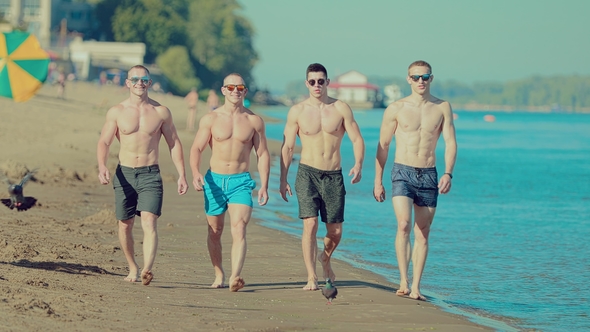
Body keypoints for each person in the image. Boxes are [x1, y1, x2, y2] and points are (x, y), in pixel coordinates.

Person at [373, 60, 457, 301]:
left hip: (429, 173)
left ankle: (417, 287)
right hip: (402, 171)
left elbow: (450, 142)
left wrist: (448, 173)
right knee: (403, 225)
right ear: (408, 79)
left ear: (431, 78)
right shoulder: (396, 108)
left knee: (423, 232)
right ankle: (403, 280)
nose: (421, 81)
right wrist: (377, 180)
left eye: (426, 76)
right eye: (416, 77)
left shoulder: (442, 107)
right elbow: (383, 146)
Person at [97, 65, 188, 286]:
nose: (140, 83)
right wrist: (102, 165)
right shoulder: (116, 111)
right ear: (127, 83)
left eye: (144, 79)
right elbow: (104, 141)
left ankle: (147, 268)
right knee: (125, 224)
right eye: (135, 79)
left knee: (149, 221)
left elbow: (173, 143)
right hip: (125, 173)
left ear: (149, 83)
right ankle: (132, 266)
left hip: (150, 173)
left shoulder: (161, 112)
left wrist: (182, 174)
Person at [280, 63, 365, 291]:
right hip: (307, 173)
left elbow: (357, 139)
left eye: (321, 81)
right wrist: (283, 177)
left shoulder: (341, 108)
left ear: (327, 82)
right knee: (310, 224)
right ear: (306, 83)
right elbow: (288, 147)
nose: (317, 85)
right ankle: (311, 277)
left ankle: (325, 257)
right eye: (312, 81)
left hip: (334, 175)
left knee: (335, 232)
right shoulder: (297, 111)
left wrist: (358, 164)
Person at [189, 73, 270, 292]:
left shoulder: (254, 121)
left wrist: (264, 184)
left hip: (241, 182)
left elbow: (262, 154)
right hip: (214, 181)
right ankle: (219, 273)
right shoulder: (210, 119)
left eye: (240, 87)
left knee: (239, 228)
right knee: (215, 231)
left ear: (245, 91)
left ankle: (236, 276)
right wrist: (195, 172)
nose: (236, 91)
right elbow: (197, 148)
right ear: (224, 90)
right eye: (231, 87)